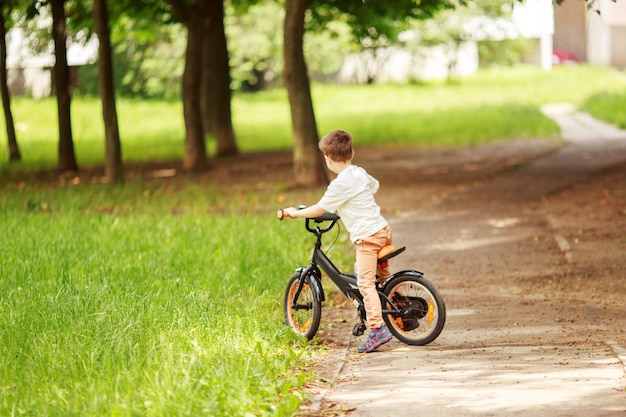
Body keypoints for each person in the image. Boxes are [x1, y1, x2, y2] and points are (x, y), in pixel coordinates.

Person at [279, 129, 393, 353]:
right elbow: (374, 187)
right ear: (352, 153)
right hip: (382, 229)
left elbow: (319, 209)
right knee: (382, 278)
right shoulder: (359, 173)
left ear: (328, 159)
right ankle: (402, 317)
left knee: (365, 283)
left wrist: (294, 213)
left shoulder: (339, 185)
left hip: (368, 238)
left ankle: (378, 329)